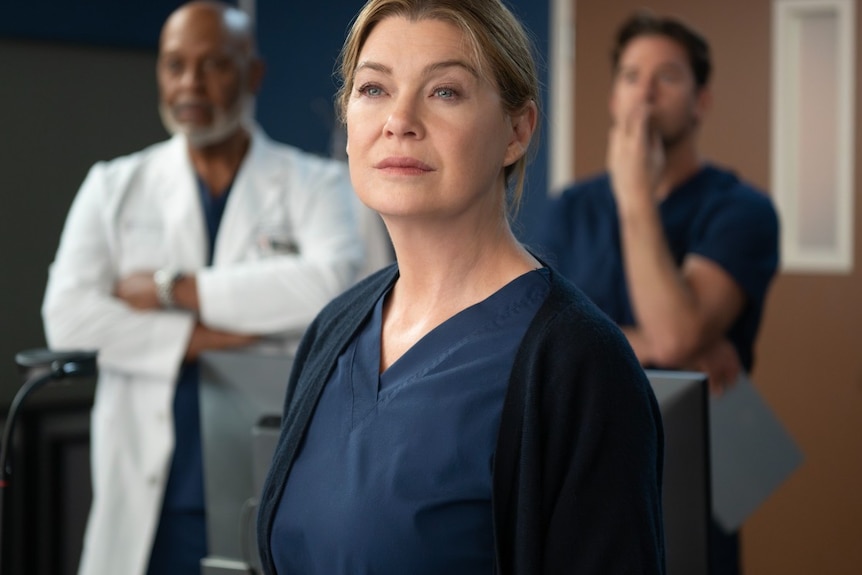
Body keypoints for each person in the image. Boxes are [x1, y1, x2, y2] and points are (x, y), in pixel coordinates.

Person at [256, 1, 666, 573]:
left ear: (517, 132)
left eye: (444, 91)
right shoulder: (335, 329)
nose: (399, 119)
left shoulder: (577, 363)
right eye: (373, 89)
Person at [40, 2, 377, 574]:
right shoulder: (113, 186)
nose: (190, 83)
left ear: (253, 75)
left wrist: (175, 289)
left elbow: (333, 288)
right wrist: (210, 337)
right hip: (154, 499)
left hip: (271, 483)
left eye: (213, 65)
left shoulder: (315, 185)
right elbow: (68, 319)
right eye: (175, 65)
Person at [536, 11, 780, 575]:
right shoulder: (570, 208)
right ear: (613, 96)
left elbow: (673, 335)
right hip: (580, 458)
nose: (644, 93)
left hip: (690, 470)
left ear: (701, 101)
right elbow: (532, 338)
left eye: (666, 77)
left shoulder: (741, 210)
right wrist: (653, 345)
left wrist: (635, 196)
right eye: (629, 76)